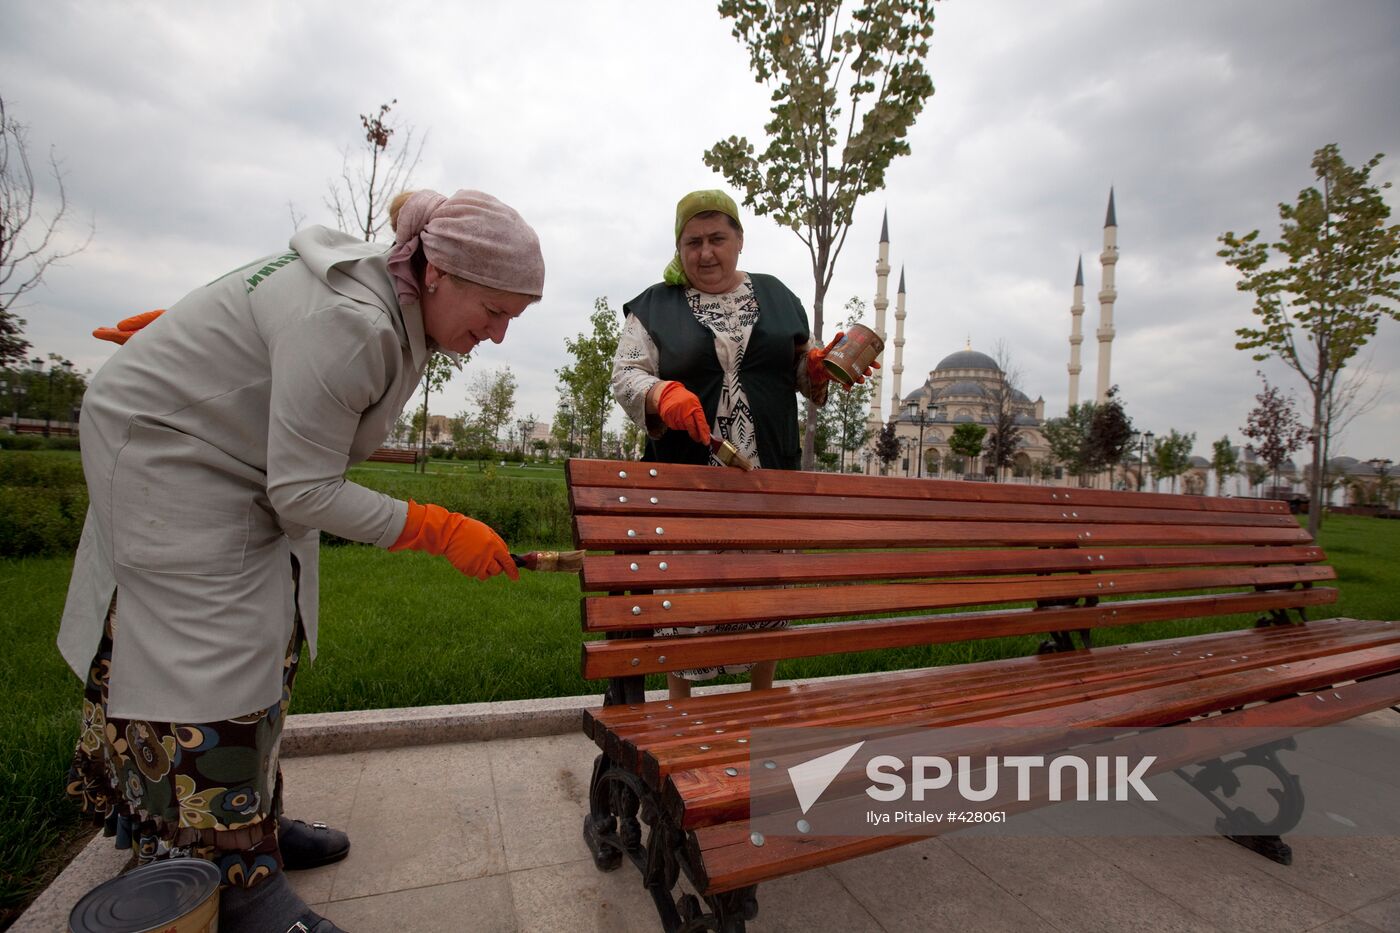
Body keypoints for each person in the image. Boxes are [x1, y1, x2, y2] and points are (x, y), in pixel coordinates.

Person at [59, 189, 544, 933]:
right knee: (213, 648)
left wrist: (211, 351)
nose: (501, 335)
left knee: (272, 626)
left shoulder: (397, 297)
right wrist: (436, 528)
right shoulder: (354, 324)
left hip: (224, 446)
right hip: (167, 450)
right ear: (438, 271)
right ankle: (234, 880)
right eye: (497, 310)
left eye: (515, 316)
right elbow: (304, 489)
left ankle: (250, 827)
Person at [610, 189, 874, 700]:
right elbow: (625, 375)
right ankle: (682, 709)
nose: (705, 252)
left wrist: (817, 367)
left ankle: (759, 701)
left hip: (766, 474)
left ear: (739, 240)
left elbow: (799, 370)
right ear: (679, 247)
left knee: (763, 584)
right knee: (686, 590)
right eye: (693, 242)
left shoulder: (777, 296)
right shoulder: (652, 305)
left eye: (717, 239)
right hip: (690, 480)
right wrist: (662, 394)